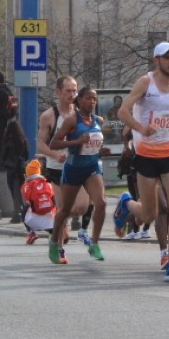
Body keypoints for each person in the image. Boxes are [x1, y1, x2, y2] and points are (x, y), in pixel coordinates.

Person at [114, 41, 169, 283]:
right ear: (156, 60)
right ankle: (127, 204)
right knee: (149, 214)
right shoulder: (145, 83)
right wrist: (141, 128)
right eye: (167, 58)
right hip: (146, 154)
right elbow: (123, 111)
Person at [48, 86, 109, 264]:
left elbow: (92, 146)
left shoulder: (98, 120)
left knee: (101, 203)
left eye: (94, 99)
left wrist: (100, 151)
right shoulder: (71, 120)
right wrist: (76, 141)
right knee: (65, 210)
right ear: (79, 100)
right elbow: (53, 144)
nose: (92, 102)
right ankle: (53, 243)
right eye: (88, 98)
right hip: (74, 169)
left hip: (92, 168)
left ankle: (95, 243)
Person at [37, 76, 92, 245]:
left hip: (78, 167)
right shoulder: (49, 116)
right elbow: (40, 144)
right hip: (56, 170)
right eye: (68, 91)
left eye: (74, 90)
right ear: (58, 92)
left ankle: (61, 221)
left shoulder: (81, 113)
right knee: (62, 208)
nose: (72, 94)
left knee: (81, 207)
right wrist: (55, 155)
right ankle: (57, 248)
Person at [0, 119, 29, 223]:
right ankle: (23, 207)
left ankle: (18, 210)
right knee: (22, 188)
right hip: (20, 167)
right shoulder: (23, 140)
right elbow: (26, 155)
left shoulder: (8, 140)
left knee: (12, 188)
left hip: (11, 167)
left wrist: (3, 162)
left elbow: (4, 154)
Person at [21, 159, 57, 244]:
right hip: (49, 218)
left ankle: (31, 232)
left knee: (24, 210)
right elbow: (54, 200)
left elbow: (27, 202)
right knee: (50, 217)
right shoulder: (48, 184)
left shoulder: (26, 186)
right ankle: (54, 235)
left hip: (34, 219)